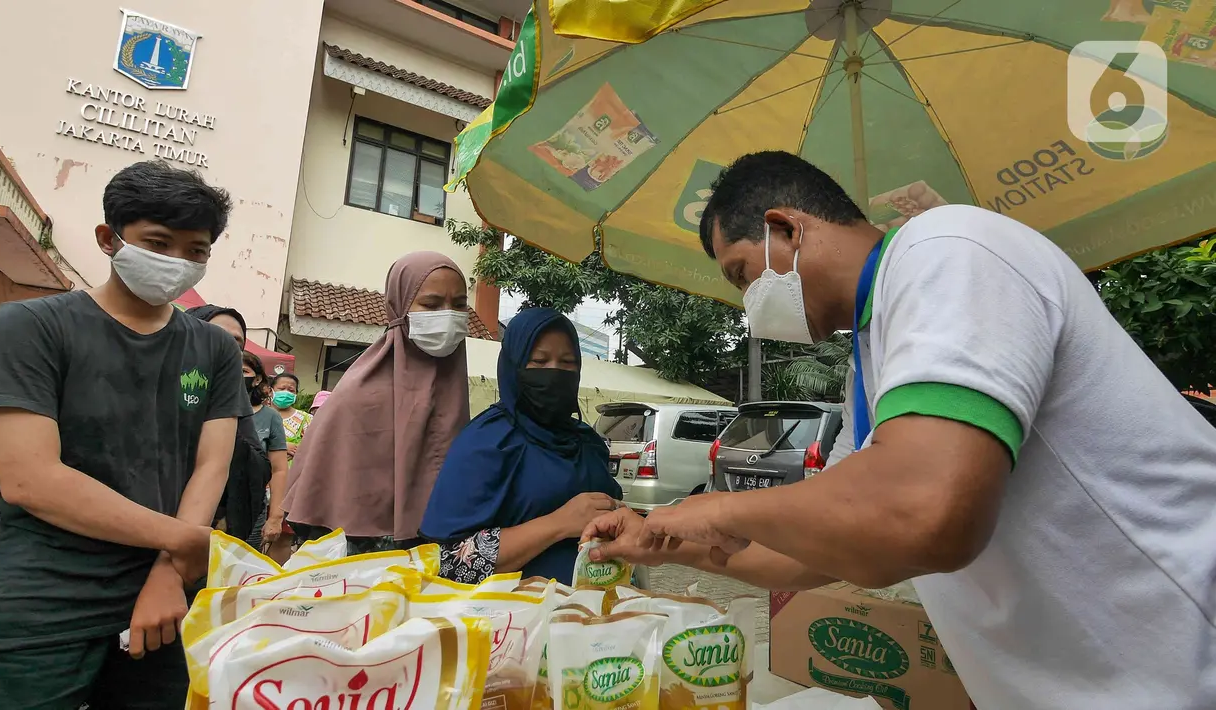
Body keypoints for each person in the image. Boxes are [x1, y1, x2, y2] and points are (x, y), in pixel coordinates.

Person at [584, 151, 1216, 710]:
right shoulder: (876, 348)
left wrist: (723, 507)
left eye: (743, 274)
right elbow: (825, 546)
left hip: (1178, 669)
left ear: (784, 228)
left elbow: (920, 511)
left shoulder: (948, 250)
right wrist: (665, 538)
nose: (749, 302)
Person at [0, 160, 247, 707]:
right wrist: (184, 543)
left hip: (167, 598)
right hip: (45, 593)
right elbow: (30, 481)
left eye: (195, 250)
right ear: (109, 238)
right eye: (158, 242)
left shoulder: (216, 348)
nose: (177, 262)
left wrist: (169, 572)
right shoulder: (30, 328)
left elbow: (211, 466)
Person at [283, 252, 471, 555]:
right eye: (432, 305)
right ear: (399, 306)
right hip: (363, 568)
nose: (448, 316)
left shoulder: (454, 391)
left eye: (459, 305)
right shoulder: (357, 396)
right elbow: (320, 506)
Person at [421, 308, 621, 583]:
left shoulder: (588, 442)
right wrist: (559, 524)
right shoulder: (487, 442)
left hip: (600, 610)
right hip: (516, 618)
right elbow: (450, 561)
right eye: (539, 361)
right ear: (513, 366)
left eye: (567, 362)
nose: (555, 372)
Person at [186, 304, 271, 548]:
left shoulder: (235, 400)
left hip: (214, 533)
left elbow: (260, 467)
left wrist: (224, 436)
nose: (226, 346)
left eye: (236, 341)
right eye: (216, 335)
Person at [240, 352, 289, 558]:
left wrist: (275, 516)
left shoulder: (270, 417)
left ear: (257, 378)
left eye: (243, 371)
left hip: (251, 508)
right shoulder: (208, 409)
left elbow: (278, 469)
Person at [271, 373, 311, 461]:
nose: (286, 392)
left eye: (291, 390)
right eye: (281, 389)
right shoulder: (259, 415)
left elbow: (314, 446)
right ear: (271, 391)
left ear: (296, 394)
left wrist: (299, 451)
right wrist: (281, 446)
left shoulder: (306, 419)